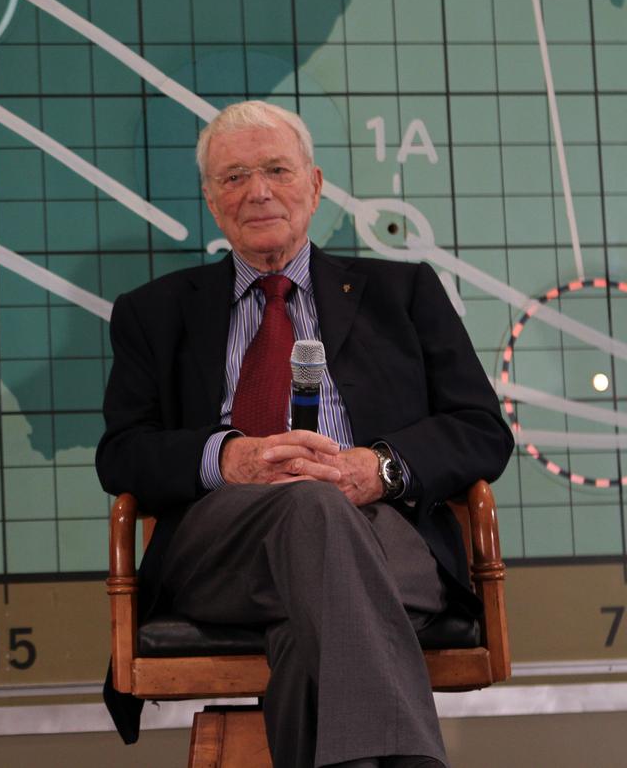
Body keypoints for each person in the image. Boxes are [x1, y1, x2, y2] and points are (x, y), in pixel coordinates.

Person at [96, 100, 513, 768]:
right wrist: (227, 456)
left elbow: (480, 429)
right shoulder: (156, 312)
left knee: (304, 632)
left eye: (276, 170)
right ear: (210, 198)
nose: (257, 191)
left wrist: (377, 468)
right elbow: (122, 454)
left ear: (314, 186)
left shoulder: (401, 293)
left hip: (383, 529)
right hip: (224, 547)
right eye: (233, 177)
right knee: (311, 505)